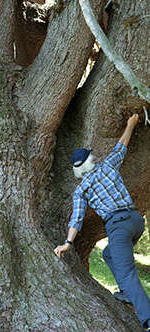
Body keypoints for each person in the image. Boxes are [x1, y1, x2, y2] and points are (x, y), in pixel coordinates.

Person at [54, 114, 150, 330]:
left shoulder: (81, 190)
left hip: (119, 227)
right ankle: (126, 293)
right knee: (108, 255)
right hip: (136, 221)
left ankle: (148, 320)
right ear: (91, 160)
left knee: (127, 274)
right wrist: (130, 124)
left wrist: (67, 244)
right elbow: (122, 144)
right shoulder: (108, 166)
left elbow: (76, 219)